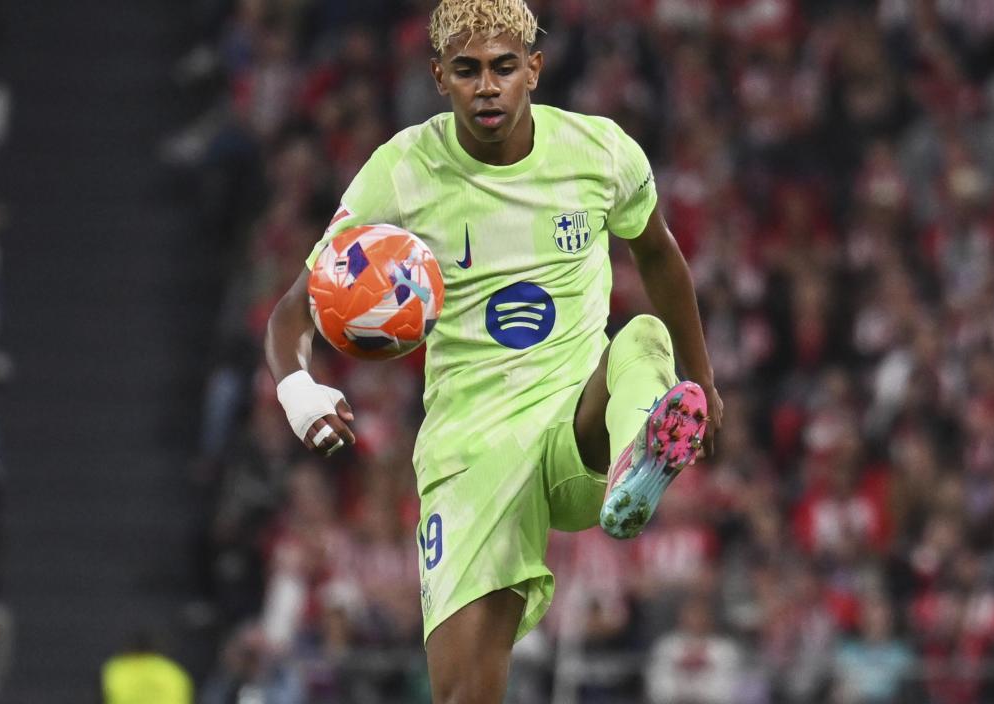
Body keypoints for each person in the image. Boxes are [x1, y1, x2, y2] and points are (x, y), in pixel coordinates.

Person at [264, 1, 724, 702]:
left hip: (577, 427)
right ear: (439, 77)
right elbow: (297, 304)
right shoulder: (403, 170)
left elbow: (659, 254)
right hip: (471, 451)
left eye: (504, 67)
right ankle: (637, 449)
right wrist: (298, 388)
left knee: (643, 337)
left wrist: (706, 382)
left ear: (533, 69)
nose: (487, 87)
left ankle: (638, 458)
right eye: (468, 70)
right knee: (464, 692)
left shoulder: (600, 153)